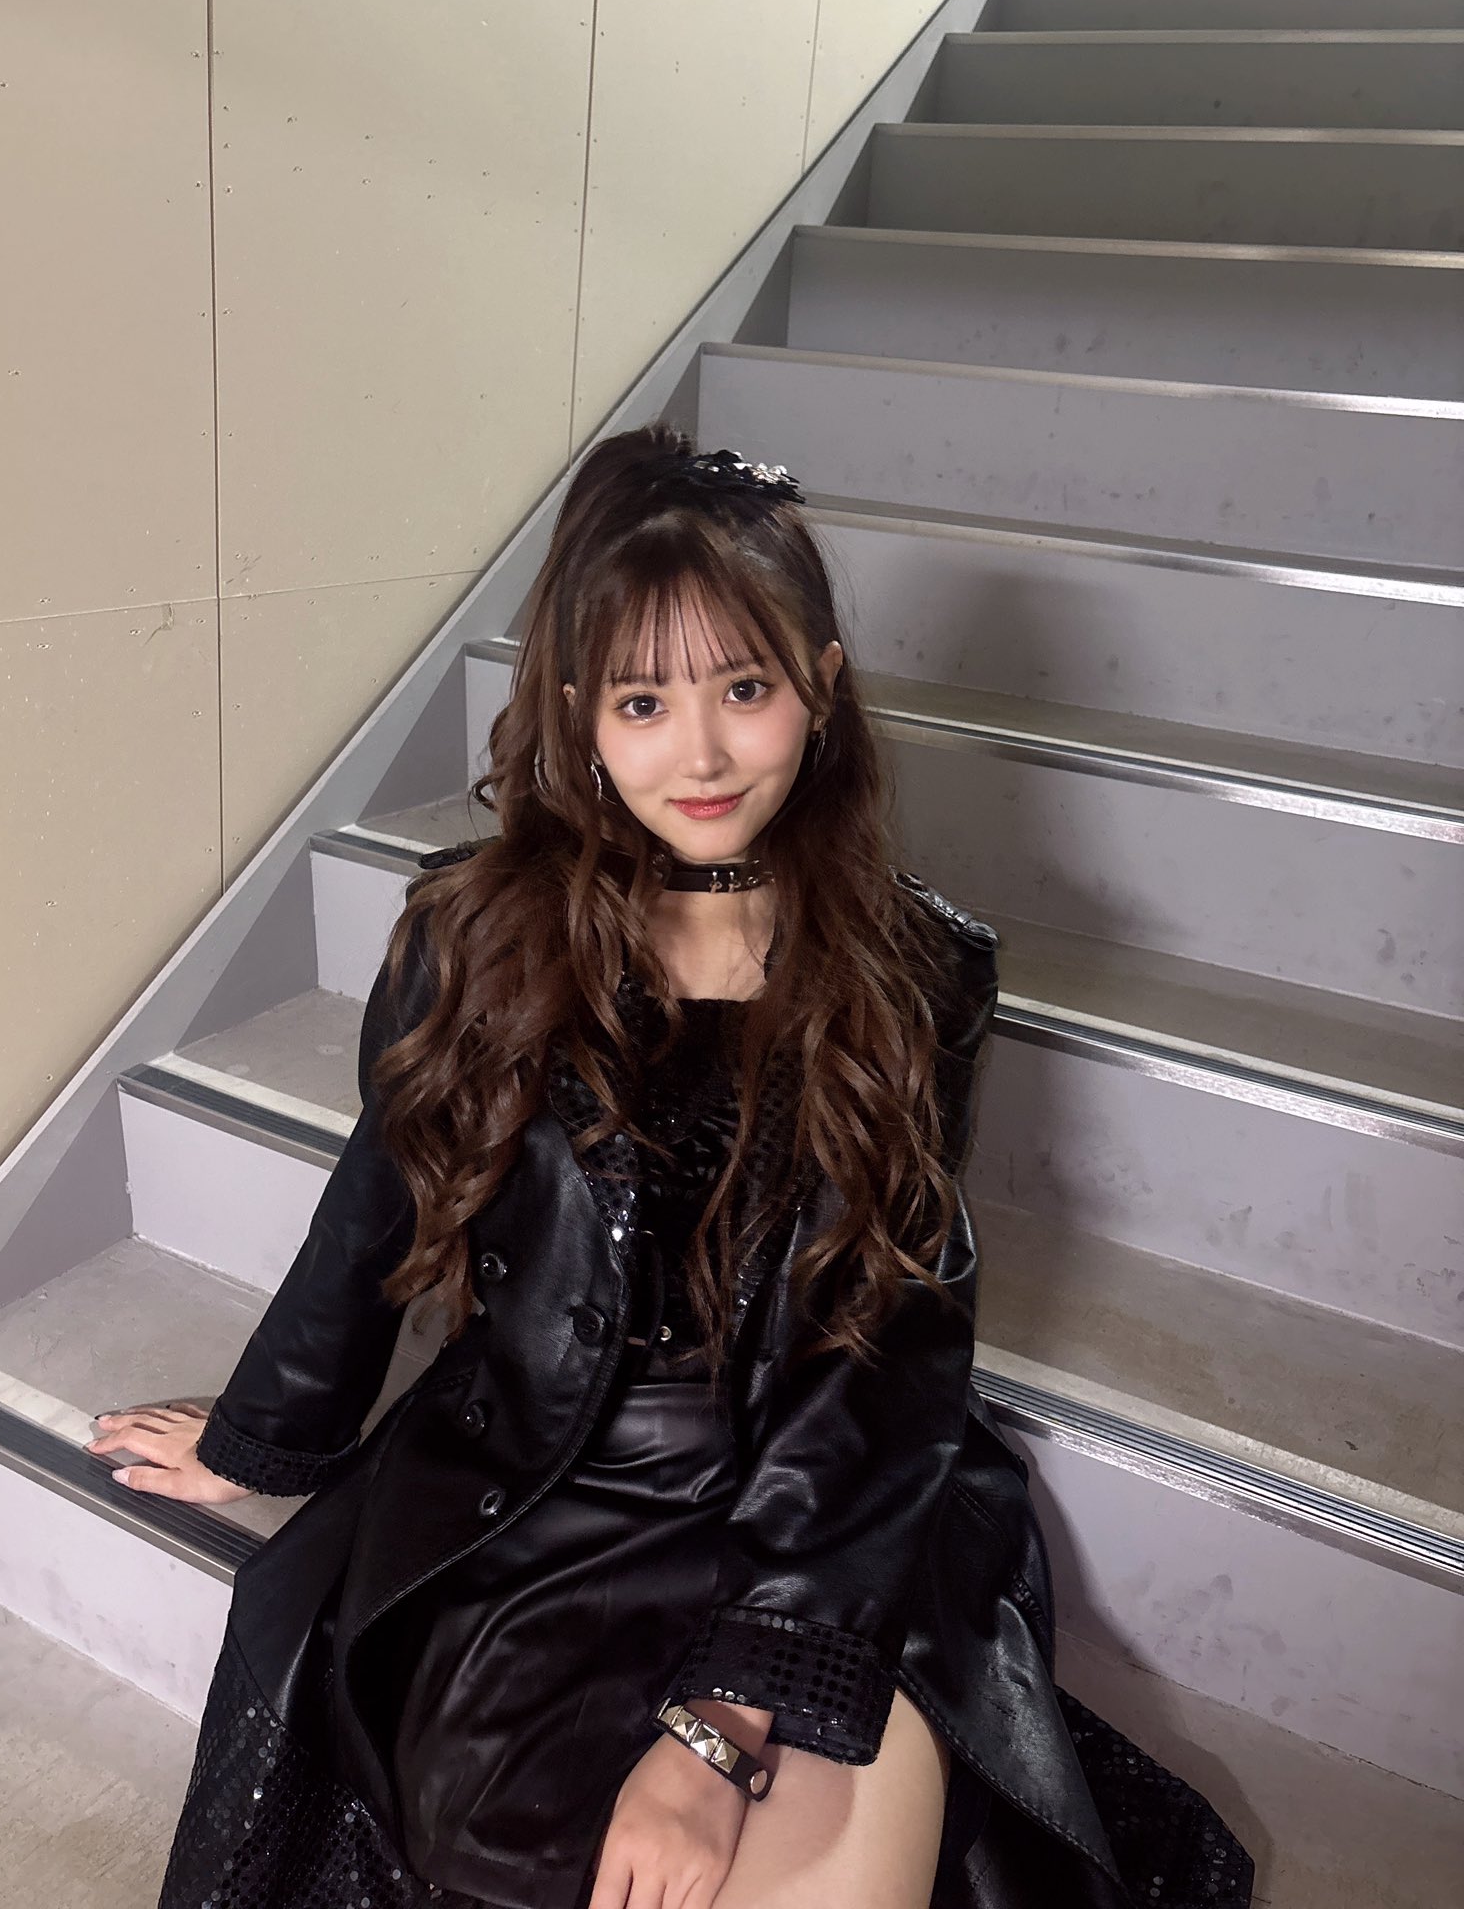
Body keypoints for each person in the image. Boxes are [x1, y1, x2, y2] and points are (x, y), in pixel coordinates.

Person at [87, 424, 1255, 1909]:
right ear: (581, 713)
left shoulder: (914, 972)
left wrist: (720, 1725)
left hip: (831, 1498)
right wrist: (267, 1435)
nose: (699, 755)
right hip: (545, 1487)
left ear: (821, 688)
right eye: (644, 701)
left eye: (745, 690)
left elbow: (886, 1344)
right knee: (521, 1859)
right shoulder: (472, 937)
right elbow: (376, 1200)